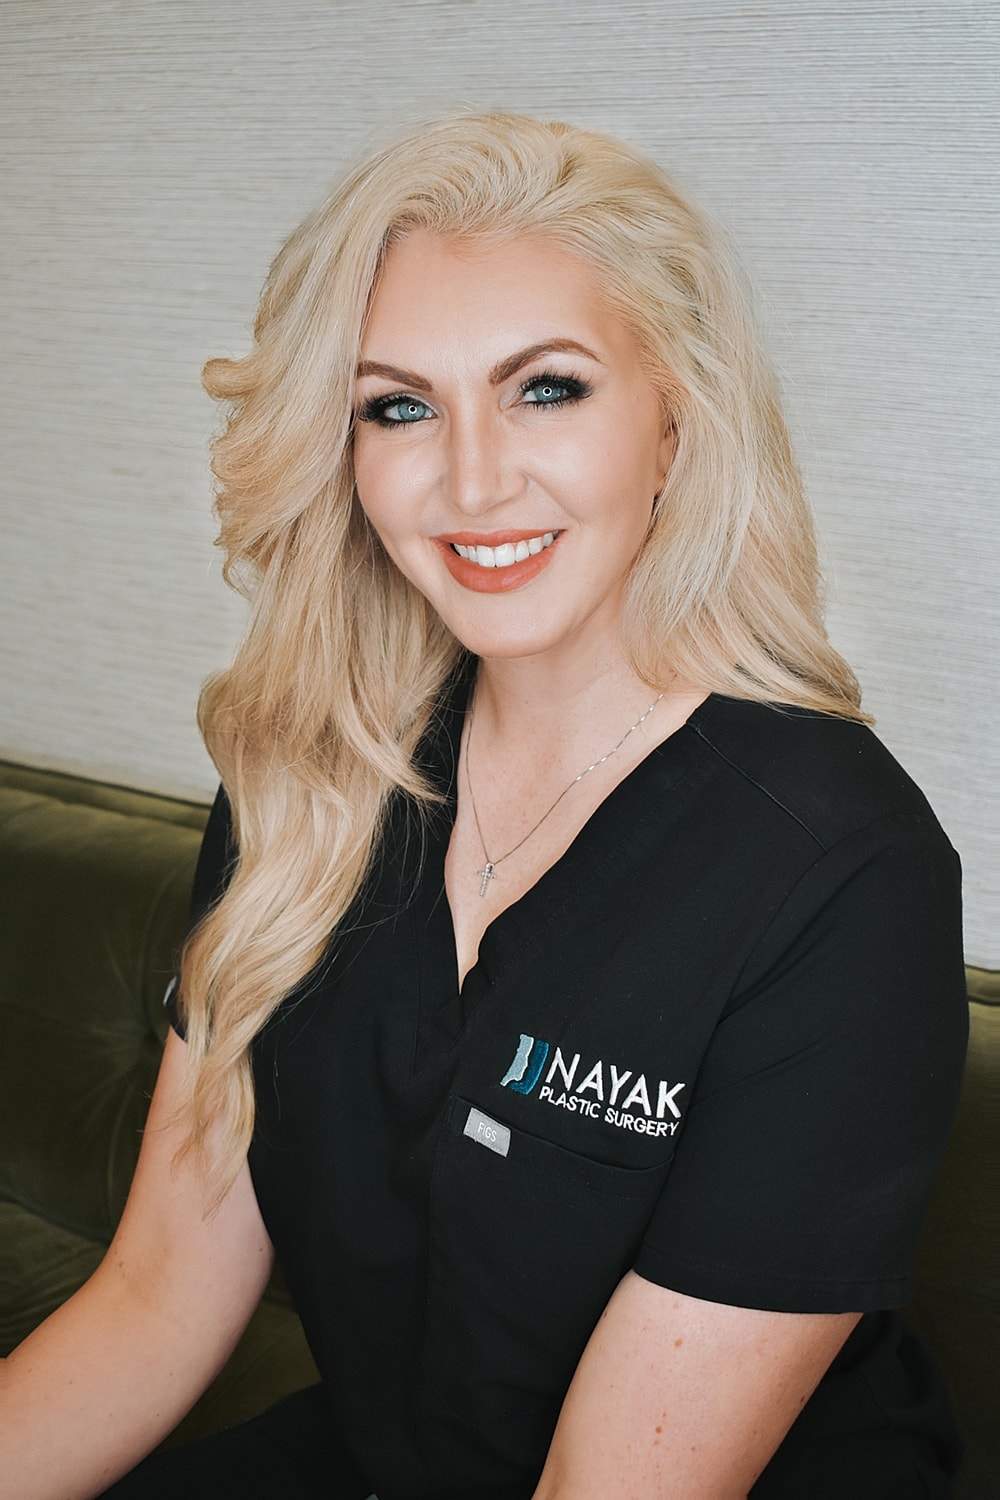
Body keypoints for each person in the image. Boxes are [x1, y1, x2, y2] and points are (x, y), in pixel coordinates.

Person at [0, 113, 968, 1500]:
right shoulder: (314, 778)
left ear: (674, 421)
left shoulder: (839, 871)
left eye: (547, 390)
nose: (470, 480)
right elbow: (157, 1302)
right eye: (399, 406)